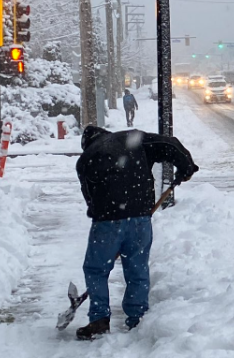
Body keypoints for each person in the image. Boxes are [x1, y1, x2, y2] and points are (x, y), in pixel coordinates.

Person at [75, 126, 199, 340]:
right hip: (140, 218)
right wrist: (186, 166)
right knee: (136, 268)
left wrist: (109, 221)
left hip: (107, 221)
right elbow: (170, 144)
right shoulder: (134, 139)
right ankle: (137, 318)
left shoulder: (86, 158)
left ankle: (99, 320)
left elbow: (90, 198)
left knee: (96, 270)